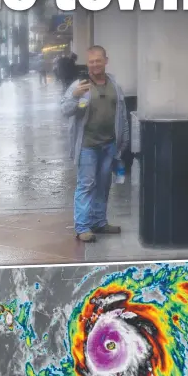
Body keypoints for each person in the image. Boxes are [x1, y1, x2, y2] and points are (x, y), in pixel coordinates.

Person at [61, 45, 129, 243]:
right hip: (87, 146)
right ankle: (82, 227)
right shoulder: (79, 85)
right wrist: (75, 96)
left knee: (104, 185)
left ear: (105, 61)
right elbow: (65, 110)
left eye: (98, 60)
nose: (95, 64)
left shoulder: (114, 86)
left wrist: (122, 143)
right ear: (87, 63)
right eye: (91, 61)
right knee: (86, 185)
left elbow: (122, 115)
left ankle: (99, 222)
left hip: (109, 145)